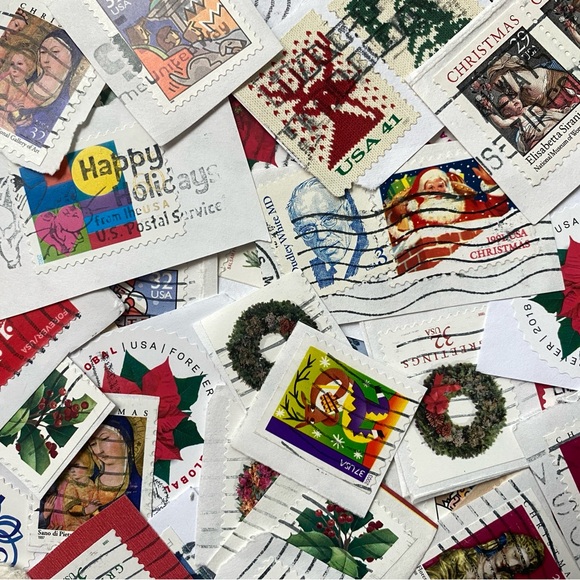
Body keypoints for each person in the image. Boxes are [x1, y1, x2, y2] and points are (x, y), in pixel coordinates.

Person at [286, 177, 367, 289]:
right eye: (308, 230)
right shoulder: (312, 274)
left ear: (347, 211)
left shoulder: (371, 253)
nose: (321, 236)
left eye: (328, 219)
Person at [11, 29, 85, 146]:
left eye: (55, 52)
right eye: (43, 52)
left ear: (72, 58)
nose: (46, 60)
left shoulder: (68, 102)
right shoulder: (22, 83)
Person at [425, 532, 545, 579]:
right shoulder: (461, 558)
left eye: (518, 567)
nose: (511, 564)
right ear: (507, 546)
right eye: (515, 556)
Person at [486, 53, 580, 113]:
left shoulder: (553, 67)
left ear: (508, 70)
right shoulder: (524, 101)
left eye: (502, 84)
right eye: (502, 90)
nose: (506, 91)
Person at [88, 416, 142, 513]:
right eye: (93, 444)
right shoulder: (86, 484)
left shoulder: (139, 487)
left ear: (123, 437)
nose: (99, 451)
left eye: (104, 439)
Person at [489, 94, 569, 153]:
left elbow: (547, 111)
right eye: (507, 102)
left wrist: (559, 111)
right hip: (537, 139)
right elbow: (501, 123)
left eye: (512, 97)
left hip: (552, 126)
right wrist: (489, 112)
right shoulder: (515, 119)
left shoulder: (531, 108)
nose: (513, 100)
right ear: (506, 112)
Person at [0, 48, 36, 130]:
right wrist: (8, 106)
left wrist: (20, 118)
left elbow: (18, 106)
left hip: (7, 119)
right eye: (12, 64)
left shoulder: (24, 85)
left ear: (29, 67)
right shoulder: (6, 80)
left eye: (19, 63)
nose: (14, 67)